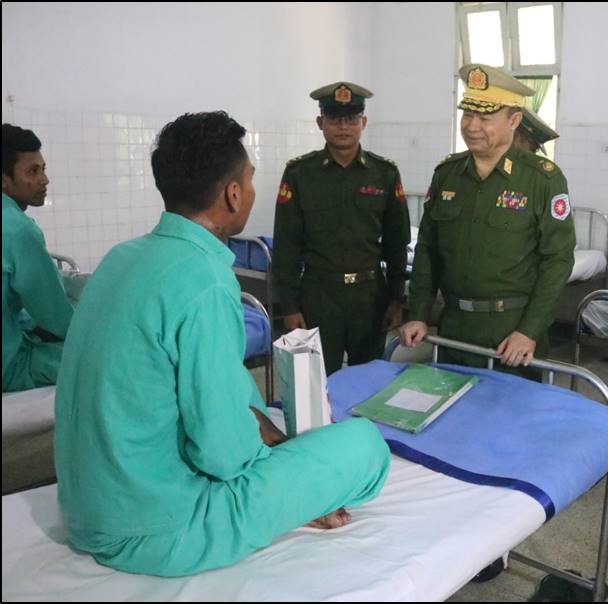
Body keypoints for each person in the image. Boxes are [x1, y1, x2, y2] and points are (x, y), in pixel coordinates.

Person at [54, 111, 390, 577]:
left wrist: (264, 433)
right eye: (249, 180)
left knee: (253, 411)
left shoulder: (121, 257)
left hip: (87, 510)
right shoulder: (206, 282)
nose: (251, 191)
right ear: (233, 194)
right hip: (159, 528)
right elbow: (222, 455)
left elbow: (214, 387)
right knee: (364, 444)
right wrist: (293, 491)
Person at [400, 64, 576, 374]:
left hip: (512, 332)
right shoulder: (448, 174)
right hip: (454, 327)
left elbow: (557, 260)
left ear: (514, 120)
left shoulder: (541, 179)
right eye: (467, 114)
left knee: (510, 406)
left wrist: (529, 331)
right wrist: (418, 314)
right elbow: (428, 249)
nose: (472, 126)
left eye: (485, 118)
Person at [272, 82, 410, 375]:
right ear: (320, 122)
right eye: (334, 118)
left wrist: (397, 298)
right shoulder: (300, 174)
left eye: (351, 118)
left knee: (368, 381)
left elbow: (397, 241)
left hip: (370, 297)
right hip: (318, 296)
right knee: (318, 382)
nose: (343, 126)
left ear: (364, 122)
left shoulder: (384, 173)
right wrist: (289, 306)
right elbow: (286, 244)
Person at [2, 123, 73, 392]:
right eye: (33, 171)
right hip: (9, 366)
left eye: (43, 169)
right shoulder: (18, 230)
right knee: (100, 355)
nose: (44, 180)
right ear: (4, 179)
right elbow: (55, 316)